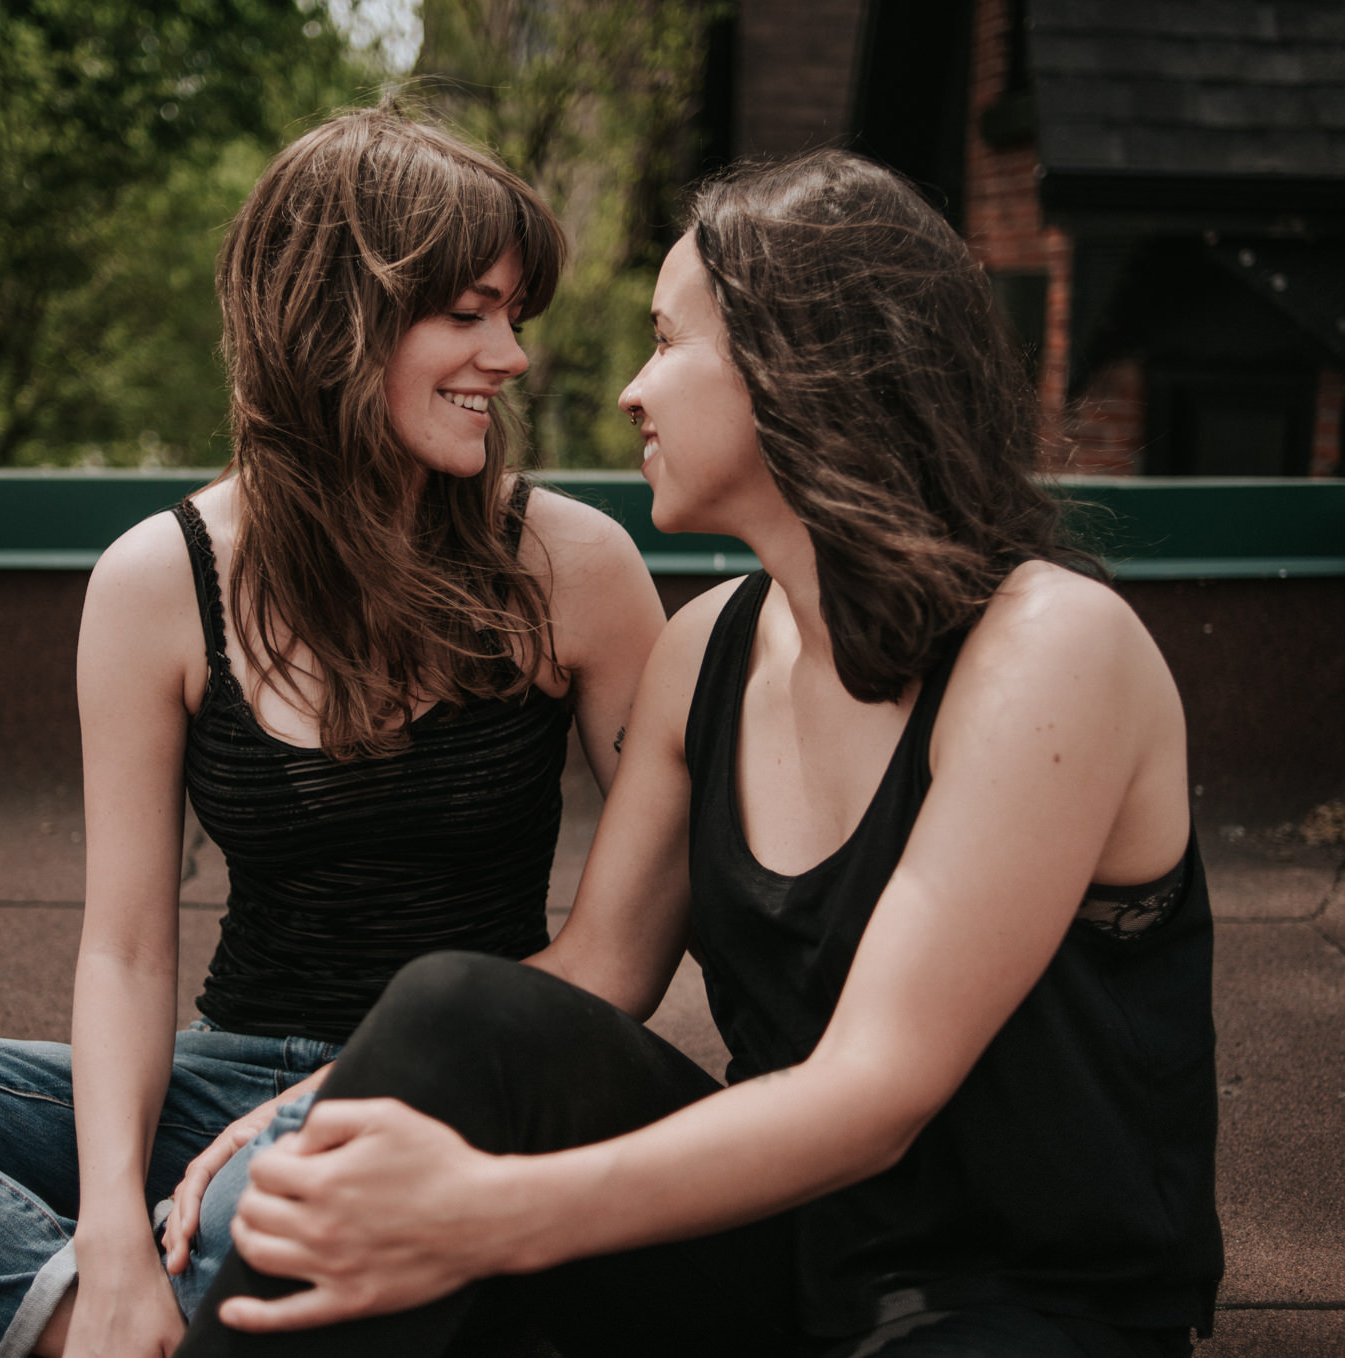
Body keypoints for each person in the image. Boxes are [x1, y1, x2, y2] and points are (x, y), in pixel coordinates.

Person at [177, 150, 1224, 1358]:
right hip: (786, 1251)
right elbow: (599, 965)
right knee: (456, 1004)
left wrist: (481, 1214)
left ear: (799, 363)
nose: (631, 390)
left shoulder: (1050, 648)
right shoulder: (708, 647)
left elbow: (877, 1092)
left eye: (667, 342)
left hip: (1017, 1300)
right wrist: (311, 1105)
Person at [0, 108, 665, 1358]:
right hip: (224, 1070)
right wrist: (105, 1229)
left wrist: (290, 1128)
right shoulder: (161, 579)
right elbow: (129, 951)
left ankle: (95, 1277)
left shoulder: (573, 563)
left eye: (512, 316)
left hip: (459, 1092)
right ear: (336, 319)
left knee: (272, 1195)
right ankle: (105, 1301)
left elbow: (625, 952)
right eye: (469, 313)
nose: (510, 356)